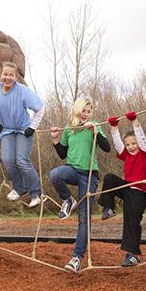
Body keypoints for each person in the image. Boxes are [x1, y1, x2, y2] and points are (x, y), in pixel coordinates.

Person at [49, 98, 111, 273]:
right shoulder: (69, 128)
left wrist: (95, 133)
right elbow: (62, 153)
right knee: (55, 174)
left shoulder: (95, 125)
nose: (86, 114)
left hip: (89, 175)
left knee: (84, 219)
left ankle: (77, 258)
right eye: (83, 110)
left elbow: (107, 148)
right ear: (76, 110)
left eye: (88, 111)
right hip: (72, 170)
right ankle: (68, 200)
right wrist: (55, 139)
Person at [98, 111, 146, 267]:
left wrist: (135, 122)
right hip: (128, 188)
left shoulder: (145, 153)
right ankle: (109, 208)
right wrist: (114, 128)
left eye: (133, 143)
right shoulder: (127, 155)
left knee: (131, 221)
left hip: (141, 192)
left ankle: (133, 255)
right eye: (128, 144)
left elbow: (142, 140)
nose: (130, 147)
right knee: (109, 178)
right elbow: (117, 144)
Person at [0, 61, 45, 208]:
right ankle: (19, 188)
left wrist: (32, 127)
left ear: (16, 77)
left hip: (23, 129)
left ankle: (36, 193)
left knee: (21, 161)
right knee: (7, 159)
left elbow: (40, 108)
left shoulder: (22, 91)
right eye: (5, 74)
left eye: (11, 75)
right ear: (0, 75)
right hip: (7, 130)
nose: (7, 78)